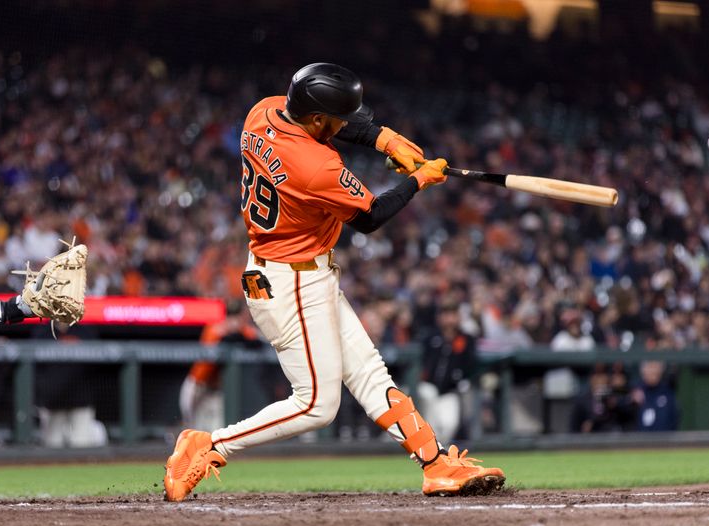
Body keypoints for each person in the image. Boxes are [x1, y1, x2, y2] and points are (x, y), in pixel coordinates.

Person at [163, 63, 504, 501]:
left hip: (293, 270)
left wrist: (385, 138)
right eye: (336, 118)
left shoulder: (262, 111)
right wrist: (420, 180)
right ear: (319, 119)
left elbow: (336, 125)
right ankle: (209, 445)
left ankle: (436, 465)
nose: (344, 124)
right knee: (316, 404)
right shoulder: (316, 165)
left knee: (367, 371)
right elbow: (371, 218)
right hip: (291, 284)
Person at [417, 299, 478, 443]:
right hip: (428, 387)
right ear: (440, 317)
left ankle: (438, 453)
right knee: (427, 396)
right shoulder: (430, 337)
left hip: (450, 392)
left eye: (452, 314)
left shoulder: (466, 339)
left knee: (449, 424)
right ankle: (430, 449)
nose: (449, 319)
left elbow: (471, 364)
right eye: (446, 314)